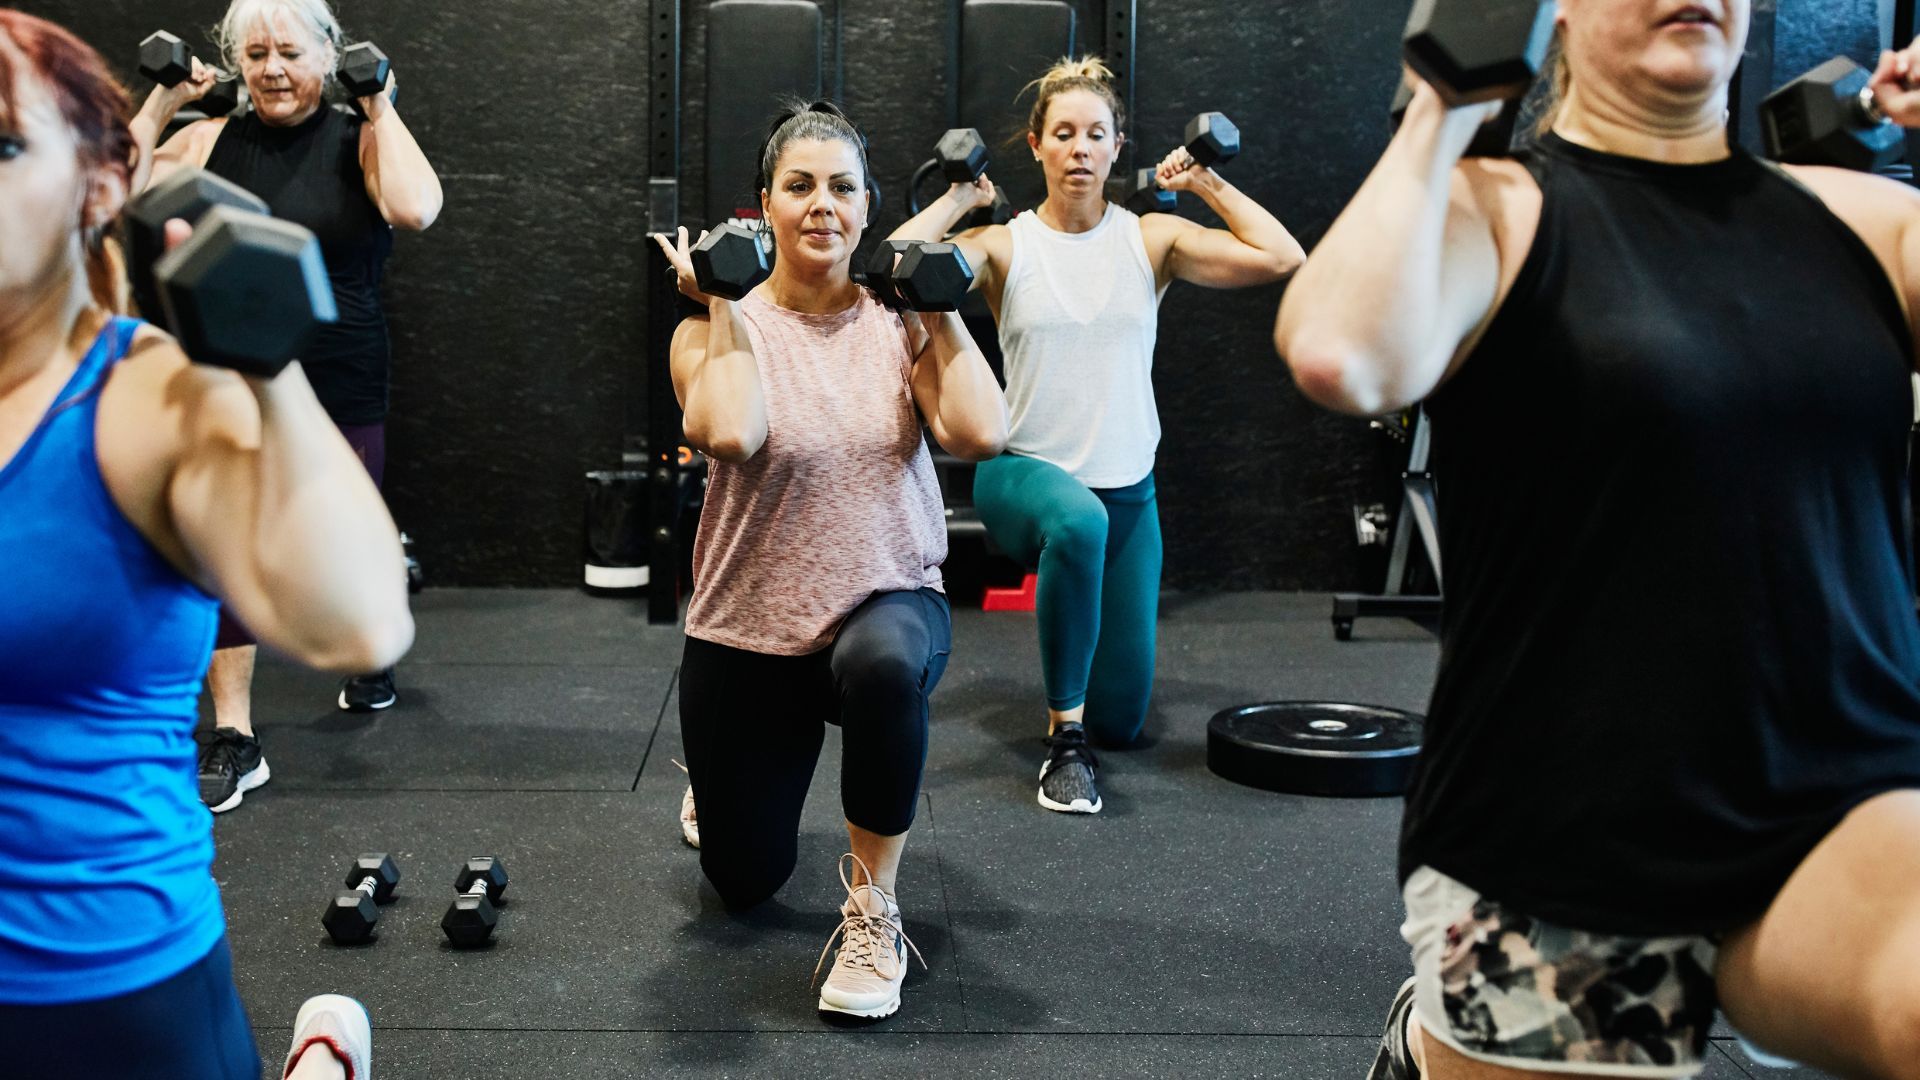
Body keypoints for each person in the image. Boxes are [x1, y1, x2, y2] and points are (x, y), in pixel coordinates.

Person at [1275, 3, 1920, 1077]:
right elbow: (1344, 357)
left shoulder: (1866, 221)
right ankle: (1421, 1039)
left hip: (1834, 800)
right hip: (1559, 826)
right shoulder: (1497, 209)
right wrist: (1445, 98)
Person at [0, 9, 409, 1075]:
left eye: (3, 145)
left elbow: (357, 618)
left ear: (98, 190)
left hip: (91, 984)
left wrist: (269, 378)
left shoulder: (148, 405)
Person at [652, 99, 1006, 1020]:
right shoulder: (709, 331)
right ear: (761, 205)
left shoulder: (900, 320)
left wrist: (943, 310)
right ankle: (720, 793)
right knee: (744, 884)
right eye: (799, 186)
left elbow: (980, 431)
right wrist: (725, 299)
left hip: (885, 599)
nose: (822, 205)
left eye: (842, 188)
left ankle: (873, 909)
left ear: (867, 206)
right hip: (748, 627)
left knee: (885, 665)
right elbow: (731, 429)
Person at [889, 57, 1303, 815]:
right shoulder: (1004, 245)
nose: (1080, 148)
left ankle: (1090, 725)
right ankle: (1062, 745)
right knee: (1075, 520)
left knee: (1125, 720)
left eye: (1096, 134)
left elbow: (1282, 255)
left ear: (1118, 149)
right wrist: (959, 197)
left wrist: (1205, 184)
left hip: (1130, 499)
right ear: (1037, 146)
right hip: (1023, 477)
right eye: (1064, 134)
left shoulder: (1154, 239)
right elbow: (893, 266)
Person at [129, 0, 443, 813]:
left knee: (347, 521)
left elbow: (416, 208)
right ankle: (233, 732)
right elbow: (109, 195)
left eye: (290, 52)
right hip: (233, 368)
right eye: (256, 53)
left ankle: (366, 643)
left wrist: (378, 102)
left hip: (343, 367)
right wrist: (162, 102)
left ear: (331, 55)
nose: (271, 68)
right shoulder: (208, 139)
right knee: (223, 538)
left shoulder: (359, 135)